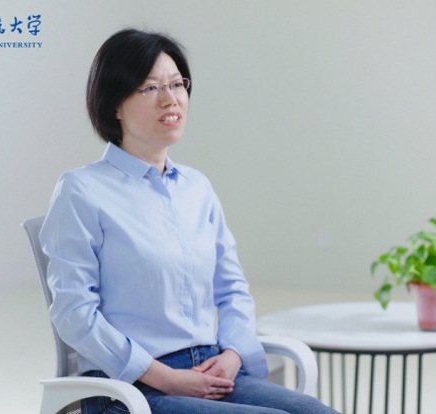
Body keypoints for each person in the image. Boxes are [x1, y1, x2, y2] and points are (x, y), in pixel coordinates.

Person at [40, 28, 340, 414]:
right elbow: (74, 313)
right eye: (150, 88)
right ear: (114, 105)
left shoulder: (197, 188)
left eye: (177, 84)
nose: (170, 99)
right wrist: (165, 377)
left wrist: (232, 354)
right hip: (130, 389)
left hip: (210, 370)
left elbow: (232, 290)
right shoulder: (81, 190)